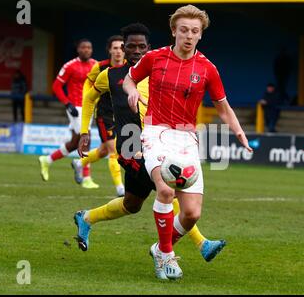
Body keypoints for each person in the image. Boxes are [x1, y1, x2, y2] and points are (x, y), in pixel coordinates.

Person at [74, 23, 226, 279]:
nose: (135, 51)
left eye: (141, 46)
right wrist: (84, 132)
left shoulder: (158, 70)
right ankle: (195, 245)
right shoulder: (111, 76)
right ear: (123, 47)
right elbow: (89, 98)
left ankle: (86, 218)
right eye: (130, 46)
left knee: (132, 204)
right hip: (131, 147)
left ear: (149, 48)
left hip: (159, 144)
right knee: (169, 188)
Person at [123, 5, 252, 280]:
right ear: (174, 31)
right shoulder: (155, 58)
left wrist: (239, 132)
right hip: (155, 131)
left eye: (195, 31)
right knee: (165, 192)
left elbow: (223, 106)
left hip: (187, 137)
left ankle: (160, 248)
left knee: (192, 213)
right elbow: (128, 79)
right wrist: (132, 91)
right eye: (184, 30)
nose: (189, 35)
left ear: (201, 35)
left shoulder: (207, 68)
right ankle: (167, 258)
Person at [38, 39, 99, 189]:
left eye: (89, 47)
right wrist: (67, 103)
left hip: (89, 106)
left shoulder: (96, 65)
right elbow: (56, 86)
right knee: (86, 138)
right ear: (78, 49)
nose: (86, 50)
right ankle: (86, 177)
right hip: (75, 108)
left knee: (74, 143)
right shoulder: (70, 66)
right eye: (83, 47)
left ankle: (47, 160)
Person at [71, 35, 125, 197]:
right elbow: (88, 83)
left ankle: (79, 162)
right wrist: (88, 98)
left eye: (121, 48)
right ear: (109, 50)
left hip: (121, 115)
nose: (118, 51)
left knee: (103, 151)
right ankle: (120, 188)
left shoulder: (129, 67)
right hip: (104, 115)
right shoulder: (100, 67)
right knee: (114, 150)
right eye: (114, 48)